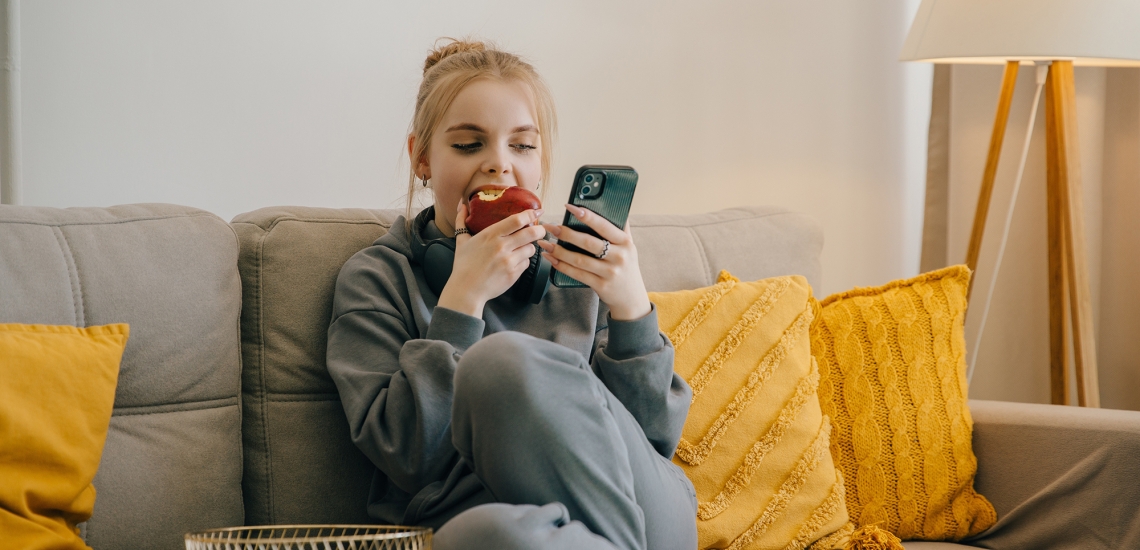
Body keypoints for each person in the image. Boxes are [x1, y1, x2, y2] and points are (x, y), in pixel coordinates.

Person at [326, 39, 697, 550]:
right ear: (421, 159)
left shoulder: (576, 268)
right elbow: (409, 458)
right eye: (467, 144)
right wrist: (461, 304)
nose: (499, 165)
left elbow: (652, 445)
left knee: (501, 363)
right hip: (494, 526)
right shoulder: (377, 278)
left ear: (542, 161)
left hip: (644, 511)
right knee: (486, 535)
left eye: (522, 145)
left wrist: (631, 309)